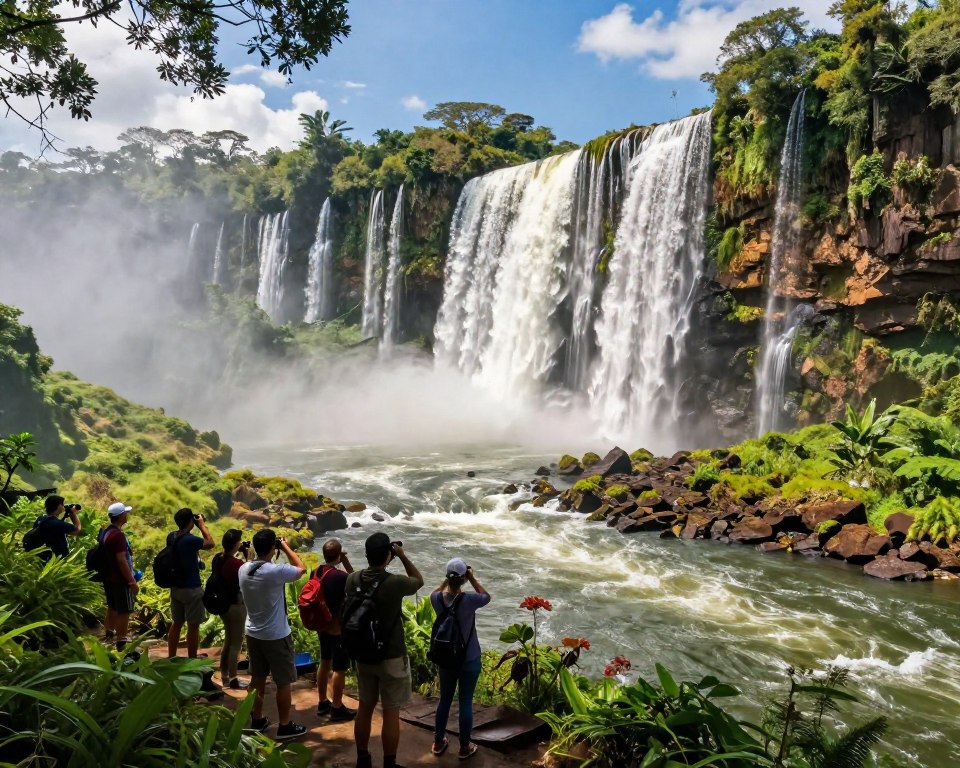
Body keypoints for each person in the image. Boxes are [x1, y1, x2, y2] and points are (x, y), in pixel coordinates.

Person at [347, 532, 423, 768]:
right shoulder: (395, 583)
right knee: (391, 711)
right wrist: (401, 555)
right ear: (387, 555)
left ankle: (363, 758)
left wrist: (389, 556)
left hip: (363, 653)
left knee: (365, 707)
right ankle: (389, 763)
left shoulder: (352, 580)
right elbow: (418, 580)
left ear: (366, 554)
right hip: (391, 655)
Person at [239, 529, 307, 740]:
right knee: (283, 682)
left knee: (257, 679)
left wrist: (268, 548)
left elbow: (253, 561)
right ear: (272, 548)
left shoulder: (243, 569)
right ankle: (285, 725)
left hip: (253, 632)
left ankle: (257, 719)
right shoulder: (275, 572)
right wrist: (285, 546)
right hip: (276, 635)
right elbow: (301, 568)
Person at [429, 558, 490, 760]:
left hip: (446, 658)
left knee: (444, 700)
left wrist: (447, 582)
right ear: (464, 578)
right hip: (469, 658)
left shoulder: (436, 599)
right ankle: (464, 747)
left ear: (447, 577)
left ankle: (438, 742)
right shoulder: (470, 600)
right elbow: (486, 596)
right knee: (465, 702)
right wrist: (472, 578)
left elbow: (435, 591)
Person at [165, 507, 215, 665]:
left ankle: (171, 656)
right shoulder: (189, 540)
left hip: (175, 587)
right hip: (191, 589)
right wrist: (202, 526)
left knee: (177, 623)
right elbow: (210, 543)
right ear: (190, 522)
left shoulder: (171, 536)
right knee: (193, 626)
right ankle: (192, 658)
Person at [314, 538, 355, 721]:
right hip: (337, 628)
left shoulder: (316, 572)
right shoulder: (340, 577)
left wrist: (340, 559)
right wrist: (345, 562)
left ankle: (323, 701)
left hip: (322, 625)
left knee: (324, 662)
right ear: (338, 555)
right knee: (339, 668)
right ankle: (337, 707)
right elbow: (356, 581)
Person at [212, 528, 250, 690]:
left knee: (228, 639)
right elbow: (248, 574)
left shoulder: (218, 559)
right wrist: (248, 556)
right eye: (239, 542)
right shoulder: (237, 564)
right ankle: (234, 679)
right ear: (236, 544)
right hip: (236, 606)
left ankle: (225, 674)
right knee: (236, 642)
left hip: (222, 605)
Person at [101, 502, 137, 650]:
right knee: (125, 610)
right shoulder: (118, 536)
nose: (127, 515)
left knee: (112, 607)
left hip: (109, 577)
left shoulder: (106, 532)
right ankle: (121, 643)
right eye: (125, 513)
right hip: (120, 579)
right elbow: (121, 560)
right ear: (121, 516)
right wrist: (131, 581)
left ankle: (108, 636)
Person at [28, 494, 81, 561]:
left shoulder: (41, 519)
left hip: (42, 556)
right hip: (56, 560)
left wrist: (64, 518)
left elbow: (54, 529)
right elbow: (77, 530)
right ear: (59, 506)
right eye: (62, 505)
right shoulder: (56, 523)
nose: (63, 507)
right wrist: (73, 514)